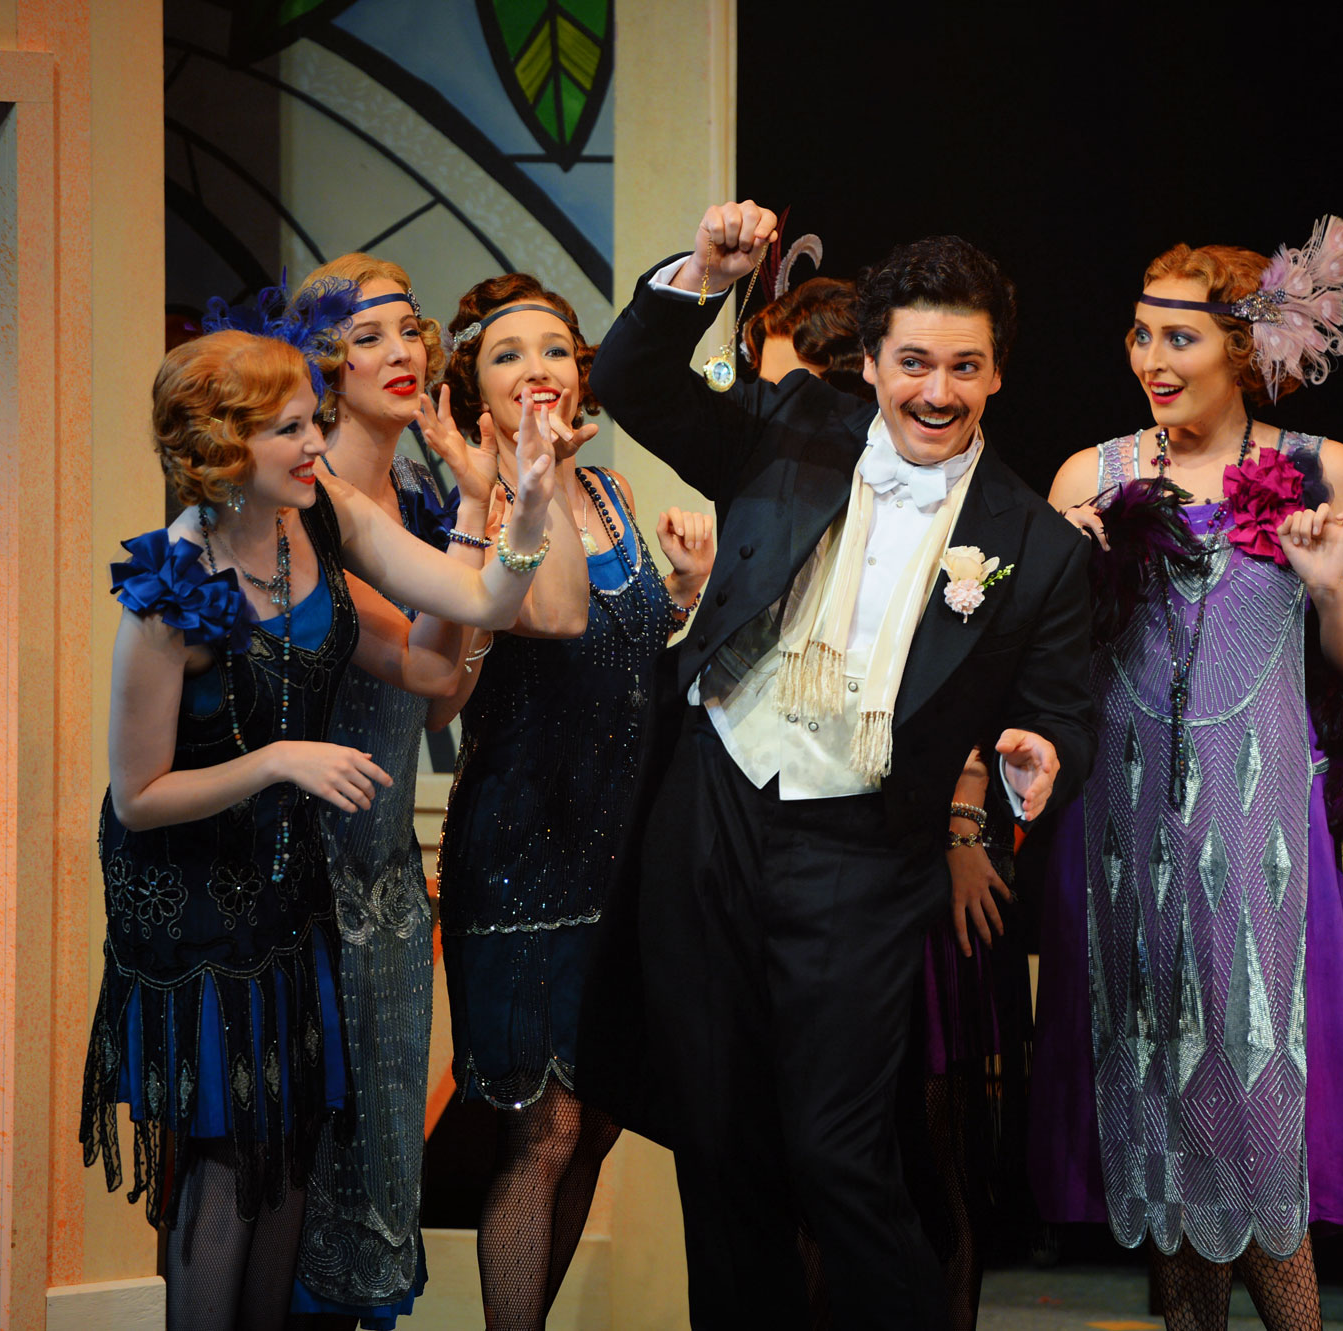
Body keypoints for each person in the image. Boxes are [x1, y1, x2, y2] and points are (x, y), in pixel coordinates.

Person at [590, 201, 1095, 1331]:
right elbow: (630, 380)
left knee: (836, 1150)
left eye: (964, 367)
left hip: (862, 850)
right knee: (716, 1141)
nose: (936, 391)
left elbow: (1064, 710)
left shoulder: (1036, 544)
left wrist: (1037, 750)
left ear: (997, 373)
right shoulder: (789, 425)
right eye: (913, 362)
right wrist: (701, 272)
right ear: (869, 361)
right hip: (713, 801)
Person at [78, 301, 559, 1331]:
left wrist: (522, 511)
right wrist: (279, 760)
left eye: (311, 420)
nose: (314, 443)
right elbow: (136, 796)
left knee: (291, 1150)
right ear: (224, 447)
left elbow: (478, 601)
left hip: (289, 892)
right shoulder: (171, 592)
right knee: (225, 1163)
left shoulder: (322, 517)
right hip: (195, 906)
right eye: (290, 428)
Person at [1029, 220, 1343, 1331]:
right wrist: (1066, 568)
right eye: (1139, 333)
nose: (1150, 358)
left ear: (1242, 347)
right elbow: (1044, 668)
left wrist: (1324, 587)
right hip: (1122, 829)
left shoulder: (1322, 470)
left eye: (1177, 337)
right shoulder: (1092, 475)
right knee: (1161, 1123)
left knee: (1254, 1116)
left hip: (1259, 828)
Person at [745, 274, 1033, 1330]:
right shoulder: (802, 482)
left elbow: (975, 691)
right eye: (913, 364)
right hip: (788, 840)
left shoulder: (997, 521)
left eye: (784, 384)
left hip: (904, 858)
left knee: (908, 1146)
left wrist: (962, 826)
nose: (934, 387)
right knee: (789, 1153)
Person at [433, 273, 716, 1329]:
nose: (536, 369)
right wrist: (528, 481)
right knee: (539, 1127)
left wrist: (684, 590)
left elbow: (629, 649)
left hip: (618, 849)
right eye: (507, 355)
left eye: (553, 349)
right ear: (474, 385)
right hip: (522, 847)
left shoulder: (610, 491)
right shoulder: (483, 501)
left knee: (594, 1121)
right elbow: (549, 619)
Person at [278, 255, 489, 1328]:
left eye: (410, 330)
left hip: (388, 870)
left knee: (385, 1147)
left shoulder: (419, 498)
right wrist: (487, 519)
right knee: (308, 1145)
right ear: (324, 362)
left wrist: (476, 505)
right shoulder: (306, 499)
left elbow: (441, 701)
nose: (403, 352)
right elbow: (419, 661)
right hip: (300, 869)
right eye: (369, 337)